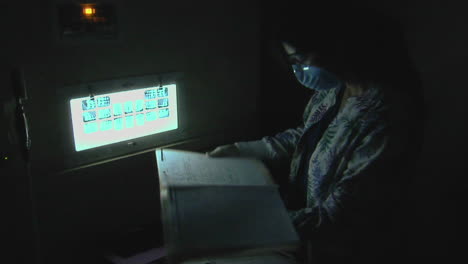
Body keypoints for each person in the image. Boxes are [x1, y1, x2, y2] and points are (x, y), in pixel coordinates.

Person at [208, 2, 423, 262]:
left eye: (300, 59)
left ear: (335, 46)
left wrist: (248, 225)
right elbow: (307, 136)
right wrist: (240, 151)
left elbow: (338, 216)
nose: (298, 70)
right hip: (306, 237)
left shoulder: (387, 117)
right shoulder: (335, 89)